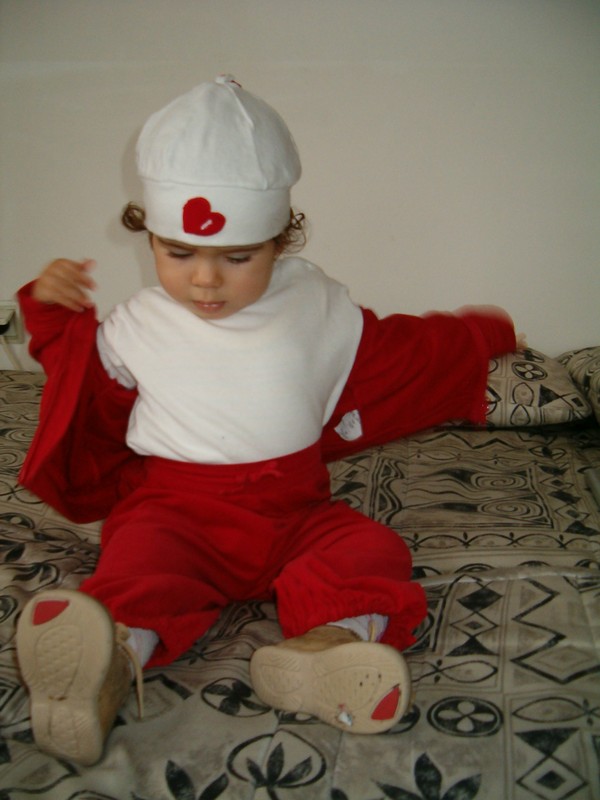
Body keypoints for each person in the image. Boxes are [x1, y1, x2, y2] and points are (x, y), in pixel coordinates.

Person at [15, 75, 517, 766]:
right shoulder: (136, 326)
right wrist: (49, 311)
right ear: (150, 237)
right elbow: (82, 386)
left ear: (280, 241)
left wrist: (478, 338)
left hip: (295, 515)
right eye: (178, 253)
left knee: (371, 550)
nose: (205, 280)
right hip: (175, 513)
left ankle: (326, 651)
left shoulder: (313, 302)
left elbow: (395, 352)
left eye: (237, 257)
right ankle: (106, 665)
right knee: (138, 567)